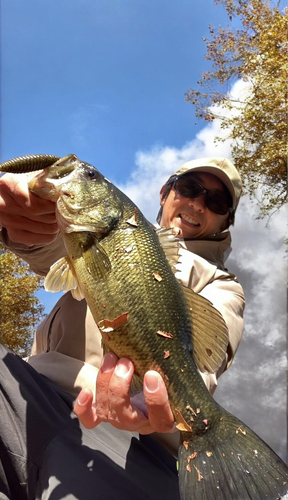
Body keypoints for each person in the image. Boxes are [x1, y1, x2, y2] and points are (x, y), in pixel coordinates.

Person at [0, 157, 245, 499]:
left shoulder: (222, 284)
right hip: (29, 393)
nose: (197, 203)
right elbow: (49, 248)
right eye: (189, 188)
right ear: (165, 192)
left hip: (128, 443)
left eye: (216, 202)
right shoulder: (104, 229)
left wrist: (158, 401)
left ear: (226, 220)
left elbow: (205, 361)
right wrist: (28, 220)